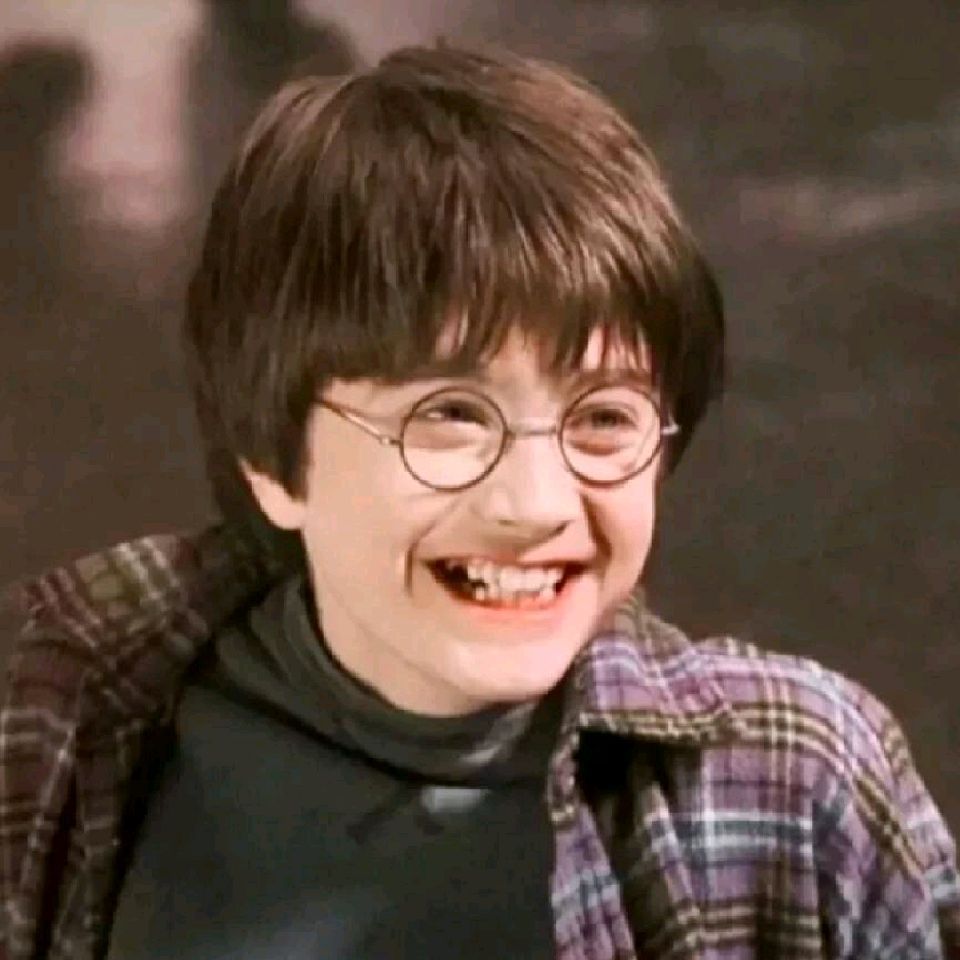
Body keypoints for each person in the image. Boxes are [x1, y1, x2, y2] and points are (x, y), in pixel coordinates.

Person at [1, 42, 958, 960]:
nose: (537, 505)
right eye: (450, 417)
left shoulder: (798, 785)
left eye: (604, 418)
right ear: (273, 462)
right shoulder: (56, 728)